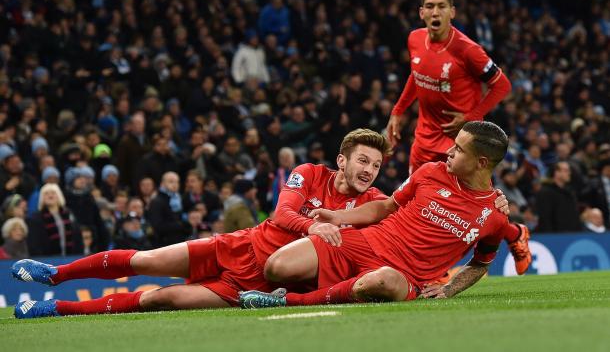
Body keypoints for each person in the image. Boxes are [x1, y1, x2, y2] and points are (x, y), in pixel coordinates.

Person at [11, 128, 509, 318]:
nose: (367, 171)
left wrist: (499, 221)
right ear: (341, 159)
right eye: (360, 161)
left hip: (249, 282)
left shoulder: (375, 203)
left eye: (375, 166)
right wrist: (316, 225)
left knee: (161, 299)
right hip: (242, 245)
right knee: (147, 260)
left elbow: (400, 224)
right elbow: (283, 214)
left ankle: (53, 311)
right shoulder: (308, 173)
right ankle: (54, 274)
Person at [238, 122, 517, 308]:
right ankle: (339, 287)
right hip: (366, 242)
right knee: (277, 266)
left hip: (403, 274)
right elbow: (386, 207)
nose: (449, 151)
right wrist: (336, 217)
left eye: (459, 149)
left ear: (482, 162)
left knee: (381, 280)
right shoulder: (431, 172)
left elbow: (481, 263)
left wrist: (450, 289)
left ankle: (287, 302)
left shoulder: (494, 216)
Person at [384, 0, 529, 274]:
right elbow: (417, 74)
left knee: (465, 214)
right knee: (412, 205)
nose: (435, 11)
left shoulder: (468, 50)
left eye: (441, 6)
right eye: (429, 6)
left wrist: (471, 117)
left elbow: (502, 85)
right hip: (424, 140)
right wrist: (398, 110)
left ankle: (508, 237)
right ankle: (515, 234)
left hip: (460, 144)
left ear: (452, 11)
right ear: (421, 12)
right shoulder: (414, 39)